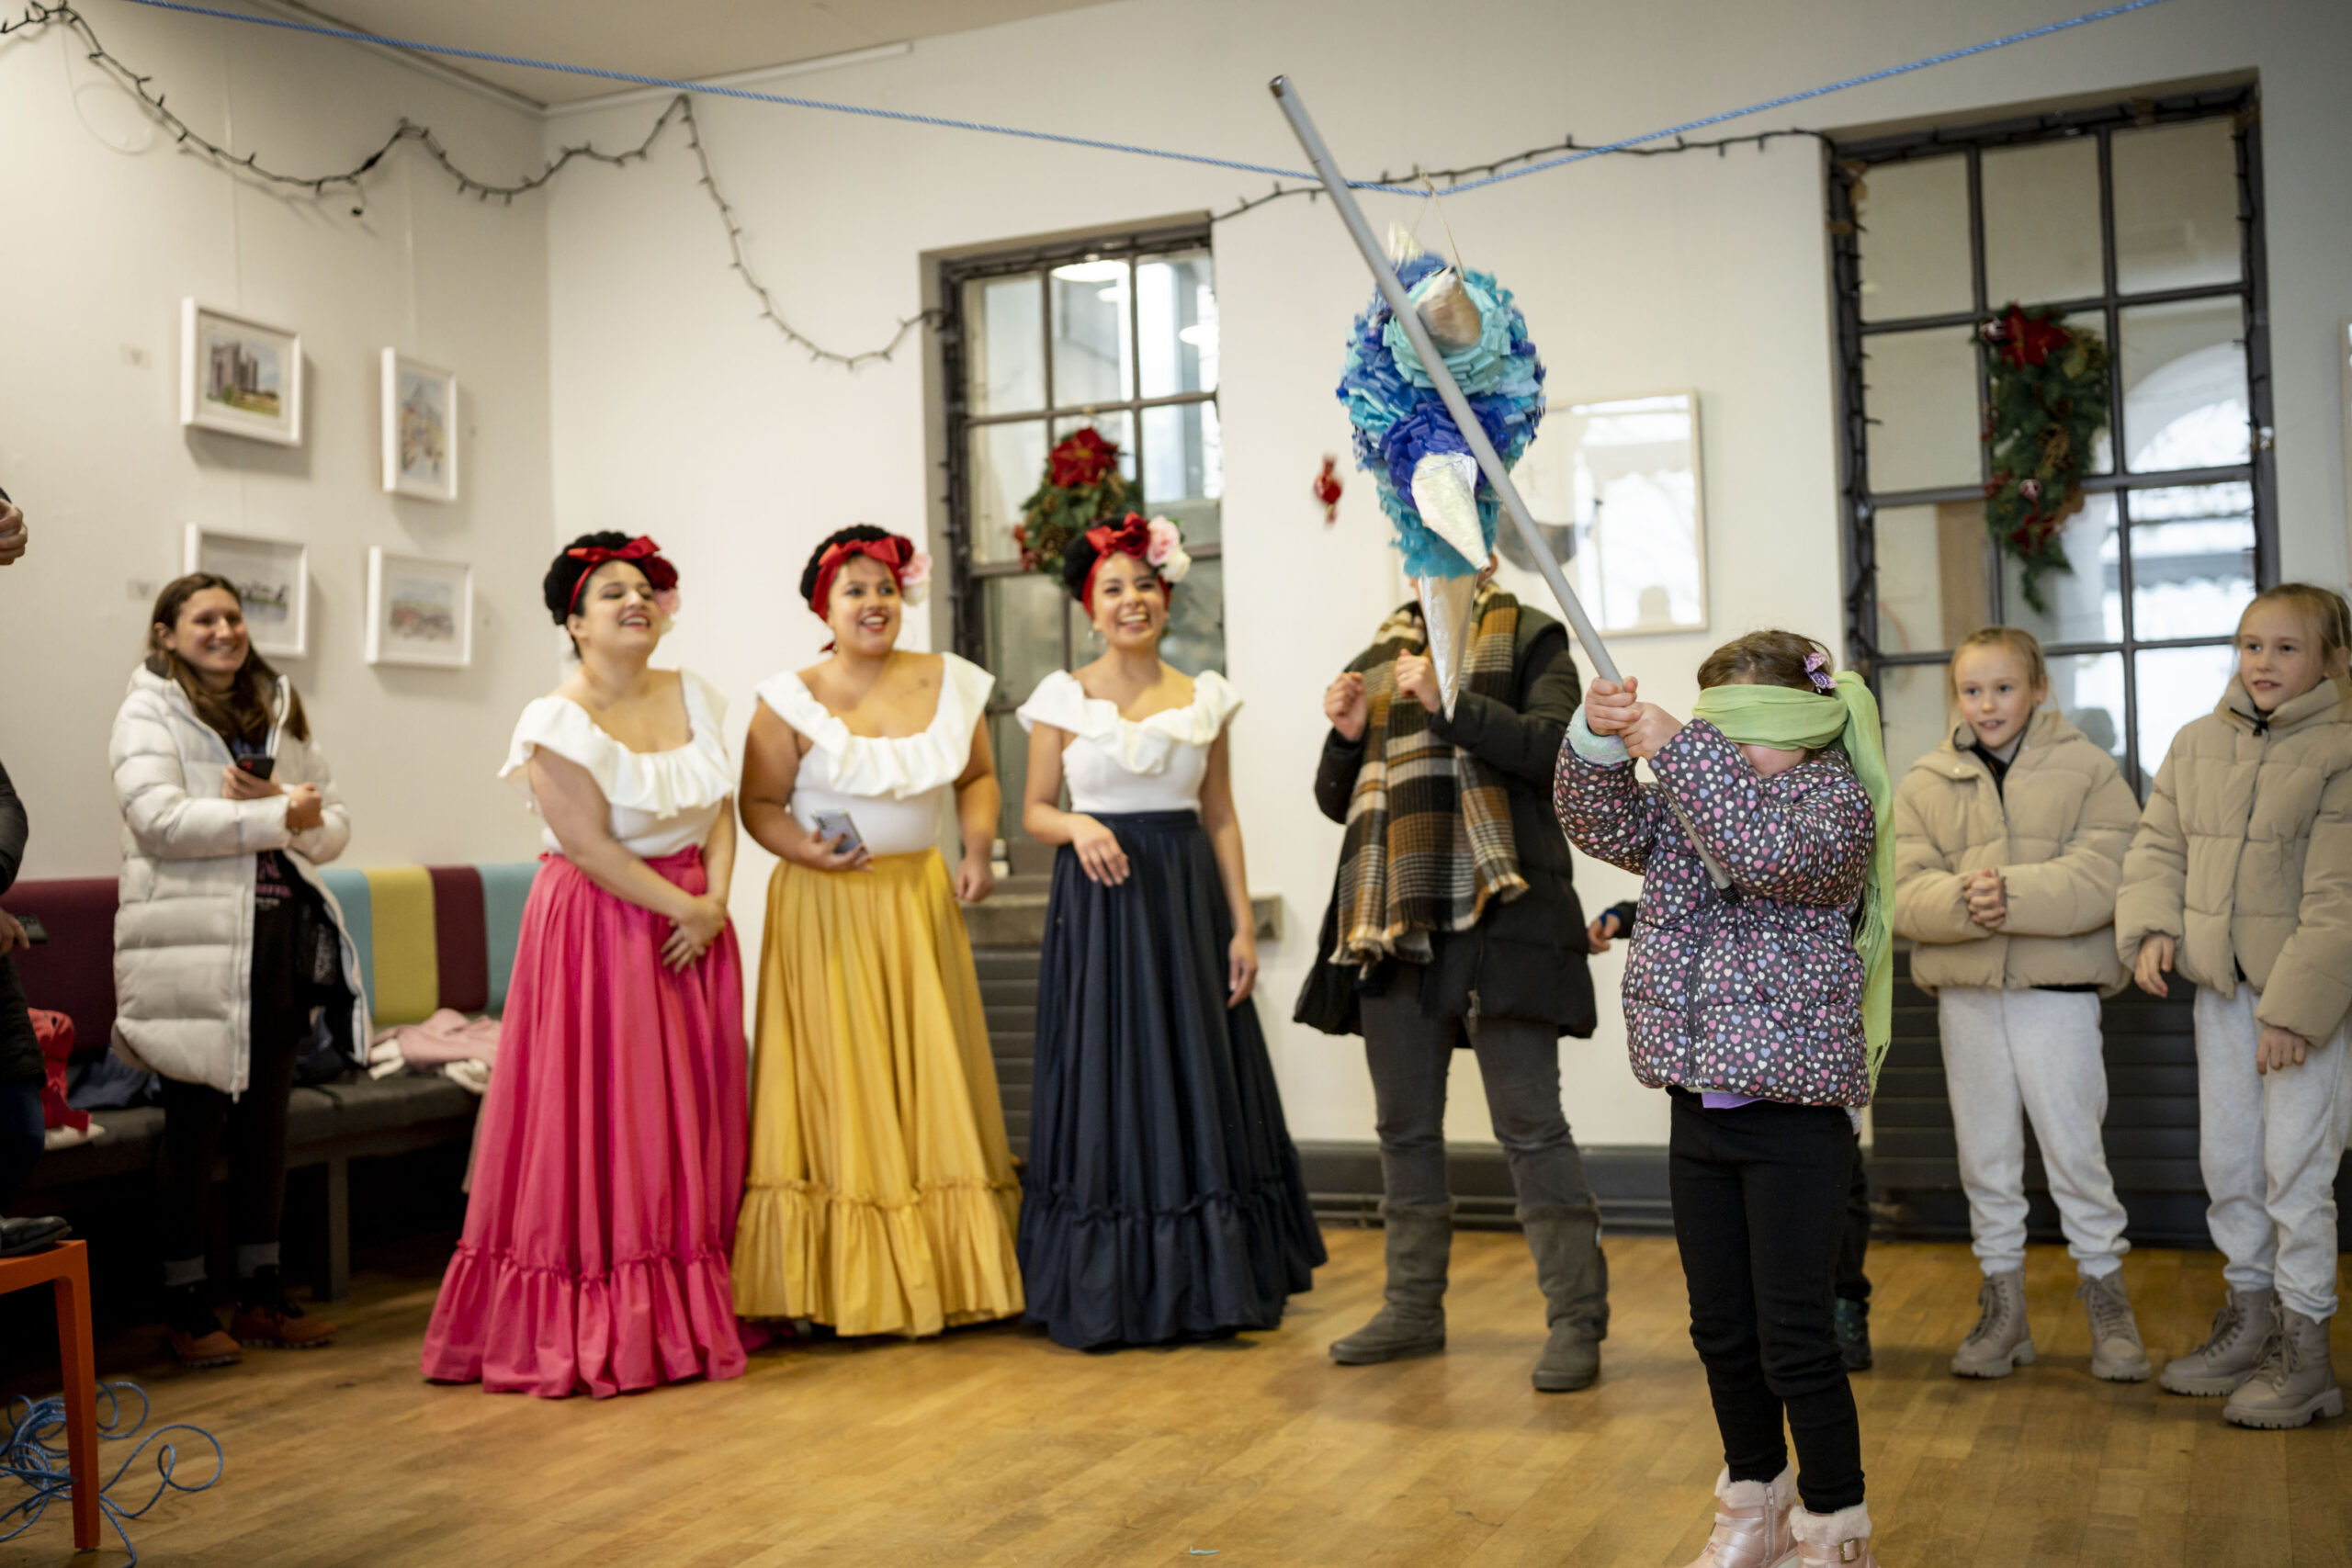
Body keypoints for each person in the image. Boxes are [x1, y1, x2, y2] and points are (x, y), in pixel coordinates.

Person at [1555, 630, 1893, 1568]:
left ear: (1810, 726)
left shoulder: (1831, 806)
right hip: (1700, 1110)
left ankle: (1832, 1527)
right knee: (1720, 1330)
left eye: (1749, 731)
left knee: (1795, 1337)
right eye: (1716, 731)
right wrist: (1596, 735)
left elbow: (1769, 857)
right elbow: (1602, 825)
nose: (1730, 749)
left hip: (1795, 1126)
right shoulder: (1693, 799)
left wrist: (1685, 751)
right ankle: (1752, 1505)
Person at [421, 534, 750, 1398]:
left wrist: (713, 901)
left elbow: (721, 813)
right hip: (604, 927)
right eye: (610, 592)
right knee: (620, 1113)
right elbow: (588, 845)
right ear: (574, 621)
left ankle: (690, 1305)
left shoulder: (699, 696)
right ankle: (609, 1316)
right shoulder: (554, 718)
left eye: (643, 587)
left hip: (696, 924)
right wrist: (685, 907)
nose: (634, 600)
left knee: (695, 1110)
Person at [1016, 514, 1323, 1349]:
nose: (1131, 600)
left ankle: (1211, 1283)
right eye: (1112, 588)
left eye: (1143, 585)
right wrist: (1077, 828)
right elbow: (1035, 808)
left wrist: (1241, 928)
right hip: (1101, 909)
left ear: (1166, 595)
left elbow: (1220, 815)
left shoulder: (1205, 696)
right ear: (1091, 606)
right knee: (1107, 1076)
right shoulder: (1060, 697)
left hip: (1185, 903)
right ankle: (1105, 1283)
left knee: (1196, 1079)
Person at [1302, 566, 1609, 1393]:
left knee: (1531, 1127)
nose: (1426, 561)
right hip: (1395, 920)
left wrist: (1452, 703)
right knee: (1404, 1129)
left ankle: (1577, 1322)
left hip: (1504, 915)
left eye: (1447, 540)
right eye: (1414, 543)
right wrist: (1344, 731)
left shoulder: (1535, 636)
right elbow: (1340, 800)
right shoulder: (1381, 651)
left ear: (1484, 557)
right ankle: (1412, 1309)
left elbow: (1554, 753)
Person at [730, 525, 1022, 1337]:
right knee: (842, 1075)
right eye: (854, 590)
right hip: (827, 906)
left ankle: (945, 1270)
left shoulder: (948, 681)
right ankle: (840, 1288)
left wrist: (974, 850)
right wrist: (807, 850)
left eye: (886, 588)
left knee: (927, 1069)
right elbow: (755, 805)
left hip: (915, 900)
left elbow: (978, 775)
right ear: (825, 605)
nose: (873, 603)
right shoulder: (789, 697)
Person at [111, 574, 364, 1367]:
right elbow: (157, 819)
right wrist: (275, 814)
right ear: (165, 634)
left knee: (267, 1126)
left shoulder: (278, 706)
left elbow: (334, 822)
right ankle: (186, 1306)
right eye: (203, 617)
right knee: (195, 1127)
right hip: (192, 947)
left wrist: (289, 804)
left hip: (279, 944)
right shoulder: (147, 708)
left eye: (234, 614)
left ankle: (261, 1295)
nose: (224, 628)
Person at [2118, 582, 2352, 1430]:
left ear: (2331, 659)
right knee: (2232, 1165)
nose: (2263, 662)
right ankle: (2250, 1320)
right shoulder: (2194, 744)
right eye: (2251, 644)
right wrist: (2151, 927)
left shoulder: (2341, 750)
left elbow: (2340, 899)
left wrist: (2294, 1009)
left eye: (2287, 647)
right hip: (2221, 995)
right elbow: (2157, 846)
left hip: (2301, 1009)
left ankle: (2305, 1349)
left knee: (2296, 1173)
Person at [1892, 626, 2146, 1382]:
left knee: (2076, 1153)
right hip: (1968, 1000)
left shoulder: (2088, 769)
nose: (1988, 703)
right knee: (1987, 1158)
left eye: (2004, 688)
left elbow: (2112, 869)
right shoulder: (1925, 782)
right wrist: (1965, 900)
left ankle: (2109, 1302)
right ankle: (2003, 1308)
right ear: (1956, 697)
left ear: (2037, 689)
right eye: (1972, 690)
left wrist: (2016, 892)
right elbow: (1903, 890)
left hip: (2055, 997)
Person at [1590, 892, 1880, 1374]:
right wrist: (1626, 913)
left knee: (1842, 1186)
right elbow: (1705, 884)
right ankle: (1767, 1318)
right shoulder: (1724, 835)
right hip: (1735, 1070)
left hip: (1819, 1043)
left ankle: (1847, 1302)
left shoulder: (1828, 830)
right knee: (1732, 1301)